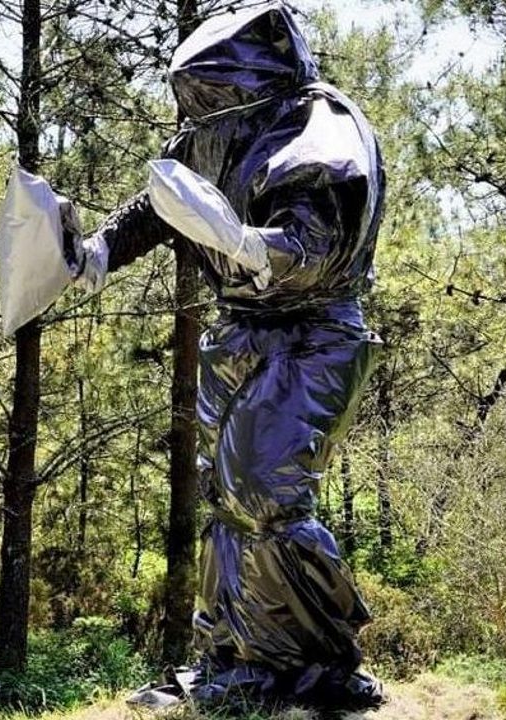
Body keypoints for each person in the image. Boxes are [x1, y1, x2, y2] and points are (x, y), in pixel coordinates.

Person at [66, 1, 386, 710]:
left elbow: (321, 240)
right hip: (240, 327)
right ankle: (236, 658)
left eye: (220, 98)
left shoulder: (319, 130)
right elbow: (162, 201)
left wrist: (254, 246)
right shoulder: (216, 131)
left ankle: (317, 665)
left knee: (265, 491)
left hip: (314, 330)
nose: (208, 117)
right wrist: (95, 254)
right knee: (227, 496)